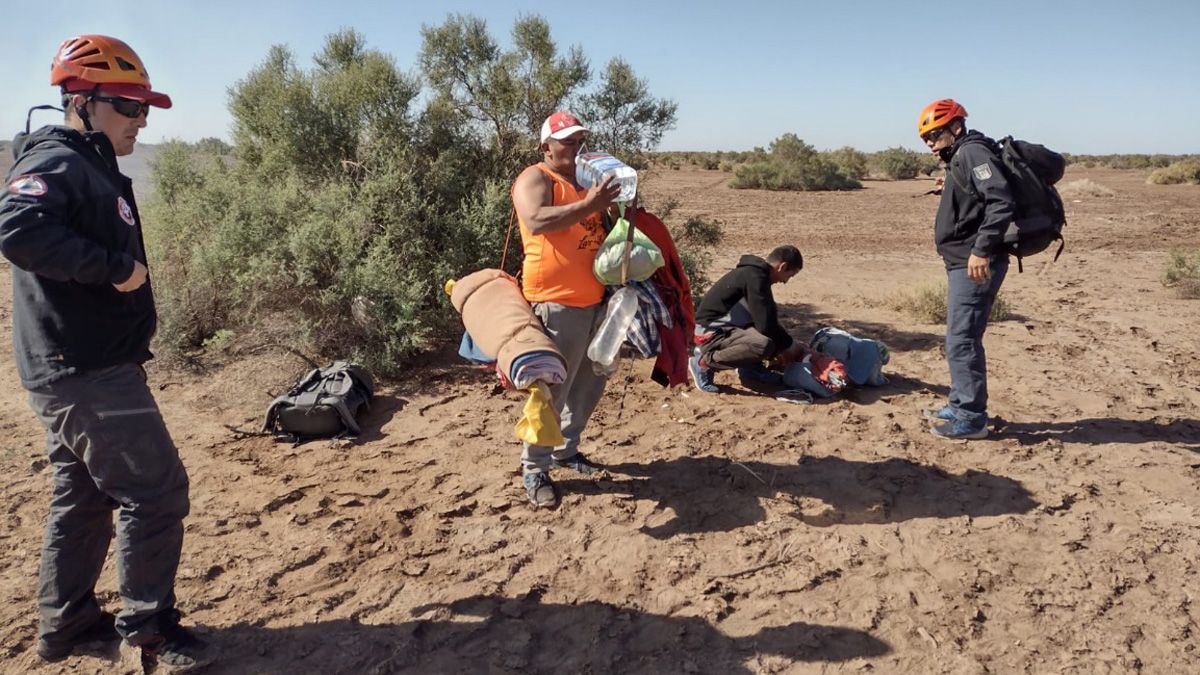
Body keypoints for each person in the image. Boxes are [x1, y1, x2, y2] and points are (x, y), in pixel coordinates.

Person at [0, 35, 210, 670]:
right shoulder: (58, 161)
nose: (140, 122)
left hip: (77, 364)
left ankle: (66, 625)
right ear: (82, 102)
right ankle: (147, 629)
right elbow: (16, 228)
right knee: (157, 491)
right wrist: (113, 269)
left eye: (145, 109)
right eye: (127, 106)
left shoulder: (86, 163)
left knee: (84, 493)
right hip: (85, 369)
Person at [510, 112, 621, 508]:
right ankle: (535, 468)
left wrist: (616, 207)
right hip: (556, 303)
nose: (575, 149)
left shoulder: (586, 182)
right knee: (551, 391)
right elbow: (536, 220)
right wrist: (590, 202)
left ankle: (566, 450)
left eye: (579, 141)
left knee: (589, 385)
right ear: (546, 146)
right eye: (567, 142)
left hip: (596, 301)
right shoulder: (536, 178)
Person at [918, 98, 1013, 439]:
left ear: (955, 127)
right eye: (925, 139)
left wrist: (982, 250)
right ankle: (960, 404)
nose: (930, 144)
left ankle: (972, 418)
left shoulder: (972, 153)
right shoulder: (960, 157)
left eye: (934, 135)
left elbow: (1001, 202)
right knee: (959, 336)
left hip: (973, 265)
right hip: (961, 262)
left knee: (962, 340)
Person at [689, 245, 808, 393]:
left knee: (771, 338)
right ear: (782, 266)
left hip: (726, 328)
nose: (786, 281)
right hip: (711, 334)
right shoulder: (755, 277)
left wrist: (784, 344)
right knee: (763, 345)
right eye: (790, 276)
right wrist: (789, 345)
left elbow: (765, 319)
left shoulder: (754, 274)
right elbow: (766, 327)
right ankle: (704, 363)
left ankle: (750, 368)